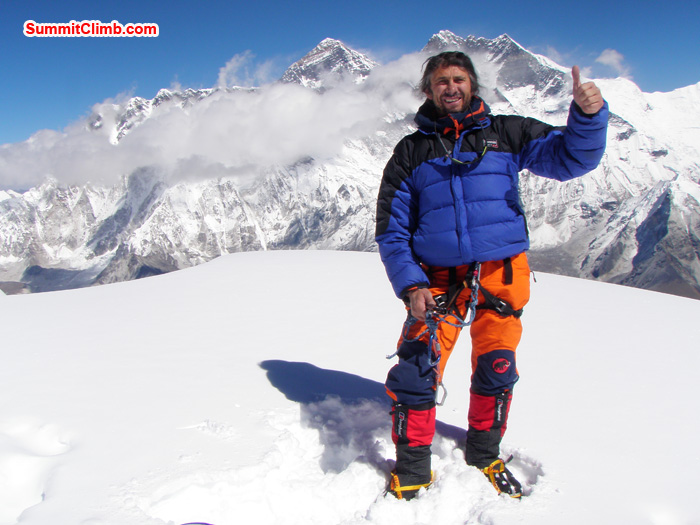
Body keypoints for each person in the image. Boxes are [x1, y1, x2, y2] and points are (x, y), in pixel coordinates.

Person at [375, 51, 607, 500]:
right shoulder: (411, 152)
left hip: (502, 275)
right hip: (437, 281)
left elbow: (570, 159)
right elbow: (391, 230)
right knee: (416, 369)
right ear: (428, 91)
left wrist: (587, 115)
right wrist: (411, 284)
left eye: (459, 79)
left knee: (496, 368)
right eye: (442, 81)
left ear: (473, 85)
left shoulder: (507, 133)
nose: (451, 87)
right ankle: (413, 467)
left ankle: (484, 452)